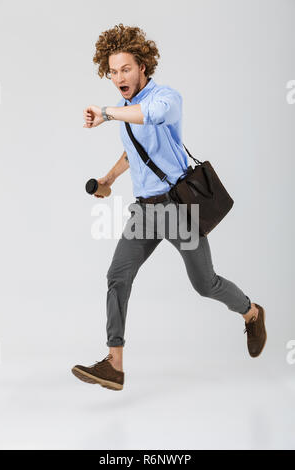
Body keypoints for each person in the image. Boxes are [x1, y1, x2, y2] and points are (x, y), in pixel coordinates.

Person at [71, 23, 267, 391]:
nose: (118, 77)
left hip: (178, 209)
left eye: (125, 69)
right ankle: (114, 364)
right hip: (145, 212)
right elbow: (133, 153)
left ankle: (252, 313)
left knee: (205, 284)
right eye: (112, 72)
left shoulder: (166, 98)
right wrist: (108, 180)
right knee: (117, 276)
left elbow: (152, 116)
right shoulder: (126, 108)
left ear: (143, 65)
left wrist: (107, 113)